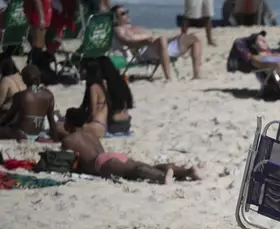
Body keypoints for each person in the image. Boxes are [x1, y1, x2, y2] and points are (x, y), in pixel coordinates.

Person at [61, 108, 199, 184]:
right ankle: (188, 171)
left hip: (102, 164)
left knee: (134, 170)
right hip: (109, 157)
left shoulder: (68, 140)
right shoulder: (91, 134)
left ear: (69, 123)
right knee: (145, 166)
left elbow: (71, 163)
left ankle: (162, 177)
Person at [112, 5, 202, 80]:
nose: (127, 15)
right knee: (162, 39)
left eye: (127, 12)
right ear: (116, 18)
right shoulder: (119, 30)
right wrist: (144, 41)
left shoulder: (133, 27)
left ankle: (196, 75)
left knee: (194, 38)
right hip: (144, 51)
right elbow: (129, 43)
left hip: (157, 46)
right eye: (123, 13)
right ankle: (168, 78)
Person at [20, 0, 69, 81]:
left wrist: (28, 6)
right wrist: (41, 17)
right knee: (38, 46)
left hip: (33, 13)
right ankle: (34, 75)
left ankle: (33, 72)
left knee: (37, 45)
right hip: (39, 16)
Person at [63, 57, 133, 138]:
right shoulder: (119, 81)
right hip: (126, 121)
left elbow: (94, 112)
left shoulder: (101, 85)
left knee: (70, 124)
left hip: (112, 123)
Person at [0, 65, 58, 141]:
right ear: (39, 78)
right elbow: (51, 121)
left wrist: (1, 124)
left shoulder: (20, 96)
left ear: (24, 80)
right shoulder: (49, 95)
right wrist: (56, 140)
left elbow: (9, 118)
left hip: (21, 135)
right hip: (37, 135)